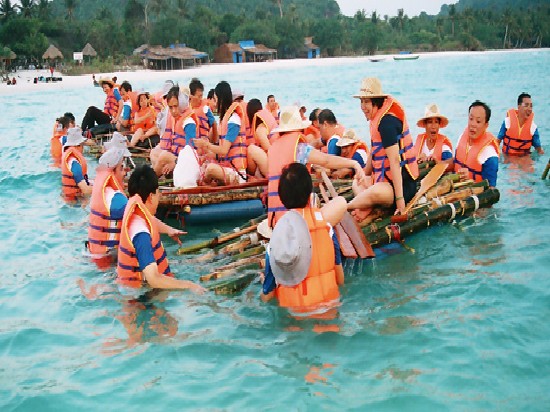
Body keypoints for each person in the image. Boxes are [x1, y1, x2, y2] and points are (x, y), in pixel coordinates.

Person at [261, 163, 346, 317]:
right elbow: (340, 279)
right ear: (309, 194)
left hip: (295, 319)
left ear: (281, 198)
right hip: (330, 313)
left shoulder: (277, 240)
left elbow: (267, 296)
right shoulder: (327, 230)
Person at [266, 106, 365, 228]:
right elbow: (326, 161)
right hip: (297, 221)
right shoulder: (300, 148)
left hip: (276, 218)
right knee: (341, 202)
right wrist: (353, 163)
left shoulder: (273, 148)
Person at [116, 164, 205, 292]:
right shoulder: (141, 235)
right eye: (158, 193)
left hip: (133, 288)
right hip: (142, 299)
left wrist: (169, 230)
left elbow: (150, 220)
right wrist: (189, 286)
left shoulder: (135, 211)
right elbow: (153, 279)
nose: (159, 196)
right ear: (151, 196)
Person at [347, 77, 419, 219]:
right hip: (383, 179)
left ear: (377, 101)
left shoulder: (386, 124)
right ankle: (367, 207)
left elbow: (395, 161)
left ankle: (347, 206)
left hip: (402, 186)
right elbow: (375, 150)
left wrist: (400, 201)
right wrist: (364, 174)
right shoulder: (377, 118)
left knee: (377, 192)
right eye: (361, 101)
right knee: (357, 181)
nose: (363, 106)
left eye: (366, 101)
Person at [193, 81, 248, 185]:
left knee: (210, 169)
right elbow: (220, 151)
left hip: (237, 174)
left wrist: (206, 144)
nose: (215, 102)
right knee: (204, 162)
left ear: (220, 99)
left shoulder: (234, 120)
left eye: (215, 99)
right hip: (227, 167)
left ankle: (206, 185)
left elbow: (223, 150)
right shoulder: (224, 121)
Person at [87, 147, 131, 263]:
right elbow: (142, 216)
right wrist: (169, 230)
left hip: (95, 254)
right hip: (110, 258)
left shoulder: (102, 190)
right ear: (113, 171)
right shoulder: (116, 199)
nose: (125, 172)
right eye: (121, 168)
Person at [149, 86, 198, 176]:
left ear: (182, 103)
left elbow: (190, 151)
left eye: (176, 106)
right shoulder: (174, 119)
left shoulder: (188, 121)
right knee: (154, 153)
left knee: (164, 156)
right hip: (176, 156)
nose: (173, 111)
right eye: (171, 108)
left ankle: (152, 180)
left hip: (187, 161)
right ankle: (164, 174)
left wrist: (174, 162)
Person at [454, 100, 499, 188]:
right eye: (471, 119)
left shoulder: (489, 153)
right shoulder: (461, 138)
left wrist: (469, 181)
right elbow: (455, 162)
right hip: (454, 190)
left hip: (472, 196)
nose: (473, 124)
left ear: (486, 125)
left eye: (478, 121)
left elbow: (490, 191)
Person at [414, 103, 454, 169]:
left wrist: (437, 163)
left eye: (436, 122)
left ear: (439, 125)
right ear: (425, 125)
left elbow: (451, 164)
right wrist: (417, 160)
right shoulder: (419, 143)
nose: (433, 126)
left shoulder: (444, 147)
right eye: (430, 122)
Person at [61, 127, 93, 200]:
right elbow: (86, 190)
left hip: (70, 197)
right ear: (78, 145)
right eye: (82, 145)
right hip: (75, 200)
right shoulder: (74, 163)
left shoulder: (69, 156)